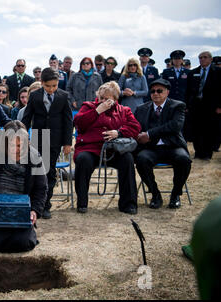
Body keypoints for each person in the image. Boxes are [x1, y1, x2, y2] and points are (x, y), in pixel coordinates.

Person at [0, 120, 47, 253]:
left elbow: (41, 188)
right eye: (12, 145)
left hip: (22, 214)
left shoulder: (34, 157)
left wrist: (34, 211)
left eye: (20, 145)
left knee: (24, 243)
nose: (16, 150)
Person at [73, 81, 141, 214]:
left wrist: (119, 132)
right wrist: (97, 111)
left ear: (115, 99)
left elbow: (135, 127)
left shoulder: (124, 110)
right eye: (101, 98)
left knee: (127, 159)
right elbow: (78, 123)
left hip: (114, 150)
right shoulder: (88, 106)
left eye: (107, 99)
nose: (103, 101)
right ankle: (82, 202)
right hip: (90, 148)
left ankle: (129, 204)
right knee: (83, 159)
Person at [22, 68, 73, 219]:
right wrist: (22, 135)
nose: (51, 89)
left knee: (49, 171)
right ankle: (34, 203)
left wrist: (67, 143)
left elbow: (68, 121)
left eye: (54, 86)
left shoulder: (63, 96)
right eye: (48, 86)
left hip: (55, 140)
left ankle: (46, 205)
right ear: (42, 83)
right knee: (37, 170)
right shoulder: (35, 96)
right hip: (39, 137)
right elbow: (27, 117)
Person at [134, 79, 192, 209]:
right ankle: (155, 194)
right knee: (141, 159)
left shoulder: (178, 106)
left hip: (173, 146)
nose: (156, 93)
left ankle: (175, 194)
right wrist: (138, 136)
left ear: (167, 92)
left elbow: (175, 126)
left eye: (159, 91)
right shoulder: (141, 109)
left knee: (184, 160)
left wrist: (149, 134)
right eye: (153, 91)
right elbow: (136, 128)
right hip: (151, 148)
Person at [185, 51, 221, 160]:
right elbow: (188, 91)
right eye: (200, 57)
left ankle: (207, 153)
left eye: (205, 57)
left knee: (209, 130)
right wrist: (186, 105)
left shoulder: (218, 72)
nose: (202, 59)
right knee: (196, 130)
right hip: (195, 106)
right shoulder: (193, 73)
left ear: (210, 59)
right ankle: (198, 152)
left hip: (211, 107)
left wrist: (219, 106)